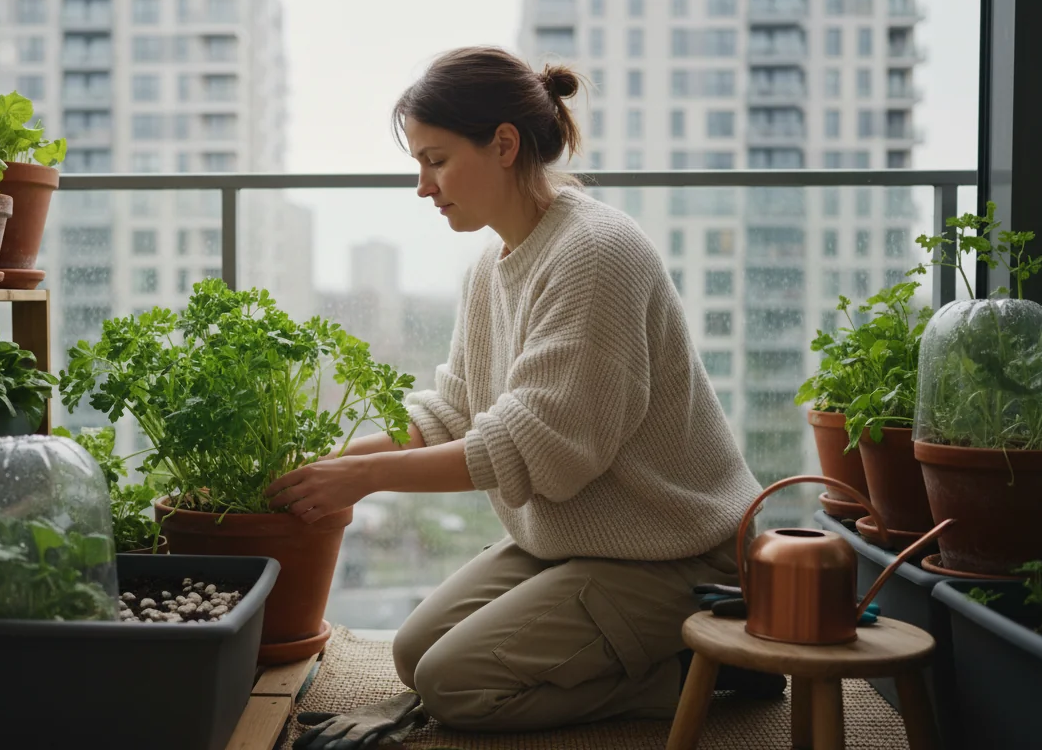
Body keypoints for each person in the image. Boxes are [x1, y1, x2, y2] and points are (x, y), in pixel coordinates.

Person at [266, 46, 774, 735]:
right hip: (579, 543)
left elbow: (536, 453)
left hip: (678, 553)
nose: (422, 186)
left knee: (454, 687)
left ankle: (704, 671)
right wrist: (337, 463)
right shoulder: (490, 263)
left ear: (503, 145)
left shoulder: (596, 253)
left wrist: (366, 477)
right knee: (416, 656)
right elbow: (457, 411)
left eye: (436, 160)